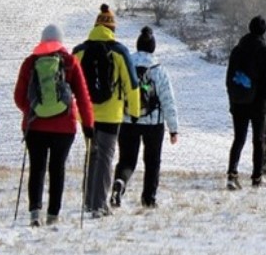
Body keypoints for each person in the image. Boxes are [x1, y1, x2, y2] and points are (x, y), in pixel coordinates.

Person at [13, 21, 94, 226]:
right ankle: (53, 214)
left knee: (37, 168)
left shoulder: (30, 62)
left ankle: (34, 213)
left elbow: (18, 97)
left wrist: (32, 111)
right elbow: (83, 97)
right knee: (57, 168)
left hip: (35, 127)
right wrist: (88, 124)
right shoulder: (70, 62)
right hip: (64, 127)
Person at [76, 13, 141, 216]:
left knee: (92, 154)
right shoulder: (119, 52)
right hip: (111, 114)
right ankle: (99, 205)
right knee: (105, 157)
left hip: (86, 113)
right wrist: (134, 111)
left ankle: (88, 201)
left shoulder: (79, 51)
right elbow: (132, 84)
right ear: (112, 29)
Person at [114, 26, 180, 207]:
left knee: (127, 160)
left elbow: (119, 92)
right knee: (152, 162)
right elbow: (168, 100)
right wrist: (173, 129)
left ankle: (119, 184)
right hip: (153, 124)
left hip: (128, 120)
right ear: (153, 48)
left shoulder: (127, 66)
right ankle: (148, 199)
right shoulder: (159, 70)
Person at [226, 15, 266, 187]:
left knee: (239, 138)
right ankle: (256, 177)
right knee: (258, 141)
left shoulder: (237, 50)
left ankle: (232, 174)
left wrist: (232, 99)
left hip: (238, 101)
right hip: (258, 103)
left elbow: (229, 78)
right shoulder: (265, 52)